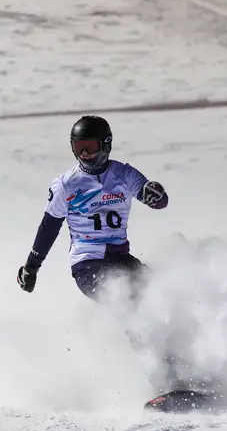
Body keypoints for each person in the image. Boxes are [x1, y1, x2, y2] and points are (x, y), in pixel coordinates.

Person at [16, 115, 169, 303]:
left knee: (159, 290)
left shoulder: (124, 174)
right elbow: (49, 227)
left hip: (120, 257)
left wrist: (155, 196)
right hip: (87, 263)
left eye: (90, 146)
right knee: (121, 297)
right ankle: (134, 332)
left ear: (106, 144)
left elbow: (158, 201)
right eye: (79, 148)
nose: (85, 154)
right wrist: (31, 267)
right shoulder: (66, 184)